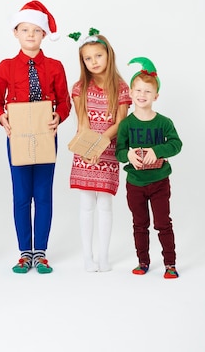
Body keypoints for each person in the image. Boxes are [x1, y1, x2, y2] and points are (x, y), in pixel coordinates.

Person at [0, 0, 71, 274]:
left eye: (36, 31)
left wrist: (58, 116)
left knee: (44, 194)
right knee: (22, 195)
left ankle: (42, 252)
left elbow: (65, 102)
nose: (30, 35)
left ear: (44, 34)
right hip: (18, 137)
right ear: (16, 33)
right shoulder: (6, 66)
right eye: (25, 30)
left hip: (47, 135)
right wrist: (2, 118)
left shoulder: (56, 66)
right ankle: (25, 252)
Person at [68, 29, 131, 272]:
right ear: (82, 61)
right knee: (86, 204)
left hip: (107, 150)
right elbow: (82, 121)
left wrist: (99, 145)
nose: (94, 62)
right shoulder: (79, 88)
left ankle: (104, 256)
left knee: (105, 204)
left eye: (98, 56)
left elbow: (120, 123)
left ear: (108, 55)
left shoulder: (122, 88)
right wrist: (87, 148)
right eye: (88, 58)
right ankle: (88, 256)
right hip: (85, 150)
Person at [115, 57, 183, 279]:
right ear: (131, 93)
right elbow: (119, 151)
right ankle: (143, 261)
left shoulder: (163, 122)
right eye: (138, 90)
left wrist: (158, 150)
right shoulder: (126, 124)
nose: (142, 95)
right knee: (139, 224)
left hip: (159, 182)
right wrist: (128, 156)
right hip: (135, 183)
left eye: (147, 91)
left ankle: (170, 264)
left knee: (163, 223)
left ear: (156, 96)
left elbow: (176, 144)